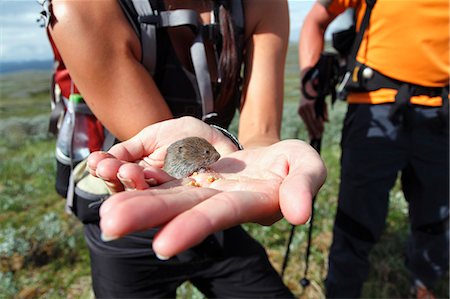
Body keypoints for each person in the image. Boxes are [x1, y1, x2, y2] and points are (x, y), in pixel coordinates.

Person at [44, 0, 327, 297]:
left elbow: (261, 132)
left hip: (215, 205)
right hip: (128, 213)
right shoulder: (81, 8)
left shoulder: (261, 4)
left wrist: (260, 161)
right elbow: (163, 148)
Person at [298, 0, 449, 298]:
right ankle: (342, 292)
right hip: (373, 109)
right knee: (356, 218)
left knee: (437, 216)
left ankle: (424, 284)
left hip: (440, 113)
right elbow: (316, 20)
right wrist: (308, 84)